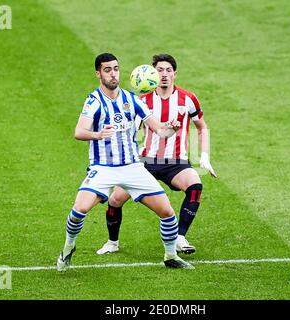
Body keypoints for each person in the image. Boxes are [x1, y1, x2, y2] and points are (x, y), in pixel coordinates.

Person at [56, 53, 194, 271]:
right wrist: (98, 135)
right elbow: (79, 132)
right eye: (108, 70)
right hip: (103, 168)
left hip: (132, 167)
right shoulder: (93, 101)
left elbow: (159, 129)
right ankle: (68, 248)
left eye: (116, 69)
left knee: (167, 212)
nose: (113, 74)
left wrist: (172, 128)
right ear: (98, 74)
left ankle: (170, 256)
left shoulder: (132, 100)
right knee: (80, 208)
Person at [97, 53, 216, 256]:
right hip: (145, 162)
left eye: (168, 70)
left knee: (195, 186)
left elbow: (201, 126)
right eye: (159, 70)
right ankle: (112, 242)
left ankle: (179, 237)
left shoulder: (188, 99)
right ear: (153, 73)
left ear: (174, 74)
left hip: (177, 163)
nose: (164, 74)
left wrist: (204, 156)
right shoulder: (141, 101)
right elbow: (129, 133)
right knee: (115, 200)